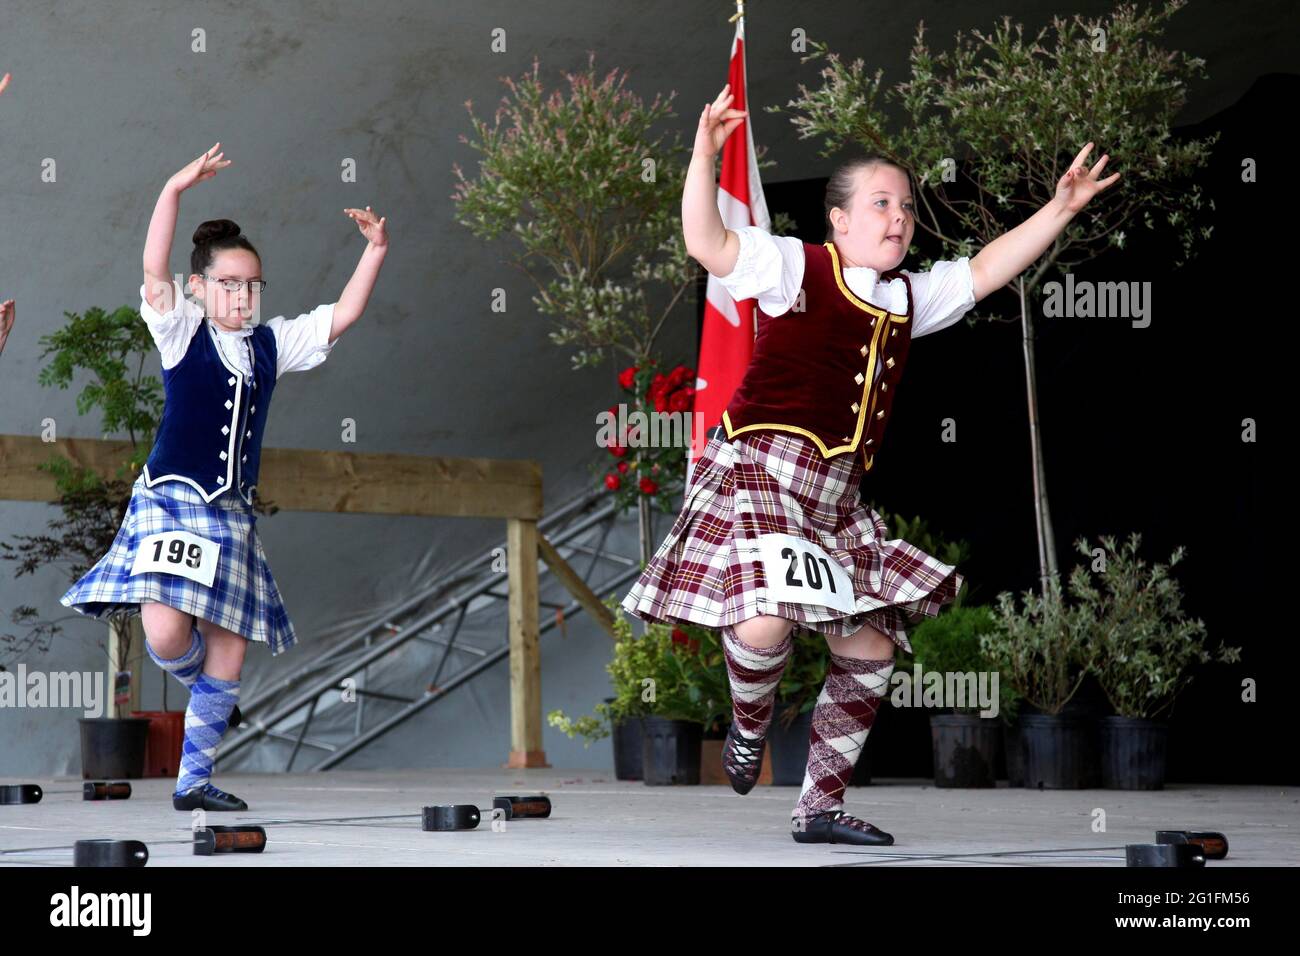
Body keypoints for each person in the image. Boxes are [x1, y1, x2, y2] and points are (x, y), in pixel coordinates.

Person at [622, 84, 1119, 845]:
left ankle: (818, 807)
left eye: (908, 207)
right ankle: (749, 727)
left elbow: (986, 269)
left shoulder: (907, 299)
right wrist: (704, 152)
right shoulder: (796, 267)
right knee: (760, 625)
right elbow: (707, 242)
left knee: (871, 644)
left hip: (835, 495)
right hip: (763, 466)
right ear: (840, 219)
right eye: (883, 204)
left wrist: (1061, 210)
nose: (900, 217)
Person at [61, 143, 389, 811]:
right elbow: (154, 267)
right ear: (201, 287)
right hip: (169, 502)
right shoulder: (181, 330)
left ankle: (195, 781)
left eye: (252, 285)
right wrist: (173, 188)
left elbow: (342, 317)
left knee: (231, 652)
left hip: (232, 512)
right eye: (230, 284)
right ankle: (205, 689)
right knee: (164, 635)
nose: (243, 295)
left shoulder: (271, 343)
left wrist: (375, 250)